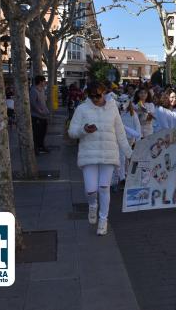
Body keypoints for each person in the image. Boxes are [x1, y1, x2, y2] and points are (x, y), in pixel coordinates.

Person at [68, 82, 133, 236]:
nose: (95, 99)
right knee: (91, 190)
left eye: (98, 95)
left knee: (104, 188)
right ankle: (92, 205)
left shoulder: (113, 108)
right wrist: (84, 130)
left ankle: (103, 220)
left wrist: (129, 153)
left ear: (104, 93)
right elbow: (71, 132)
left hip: (109, 154)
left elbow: (120, 133)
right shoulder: (82, 109)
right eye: (92, 96)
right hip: (89, 154)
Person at [112, 94, 141, 192]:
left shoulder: (133, 114)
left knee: (127, 159)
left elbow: (137, 127)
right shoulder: (117, 113)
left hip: (129, 139)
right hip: (119, 139)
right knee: (121, 158)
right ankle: (121, 178)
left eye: (125, 101)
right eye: (120, 101)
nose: (122, 103)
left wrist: (138, 140)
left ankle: (127, 177)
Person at [30, 75, 50, 154]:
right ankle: (36, 148)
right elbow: (33, 103)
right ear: (40, 82)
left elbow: (43, 101)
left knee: (43, 131)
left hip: (44, 116)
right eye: (44, 81)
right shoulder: (33, 90)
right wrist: (39, 111)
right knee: (37, 133)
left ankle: (41, 146)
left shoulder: (42, 90)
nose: (45, 82)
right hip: (37, 116)